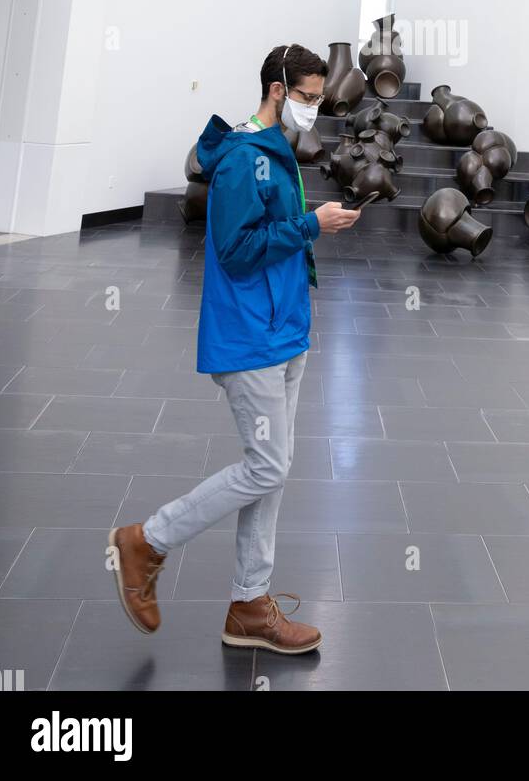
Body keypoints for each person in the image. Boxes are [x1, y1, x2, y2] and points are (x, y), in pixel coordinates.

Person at [109, 44, 361, 653]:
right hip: (249, 336)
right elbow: (235, 248)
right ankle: (146, 542)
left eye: (319, 97)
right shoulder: (244, 157)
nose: (313, 108)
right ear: (277, 90)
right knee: (267, 466)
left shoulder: (278, 152)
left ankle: (249, 605)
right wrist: (311, 225)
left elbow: (269, 231)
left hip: (284, 331)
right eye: (306, 96)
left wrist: (310, 222)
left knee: (268, 475)